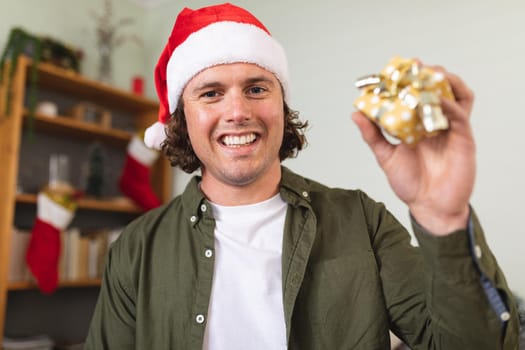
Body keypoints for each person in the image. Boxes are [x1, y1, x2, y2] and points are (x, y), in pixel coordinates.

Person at [84, 3, 519, 349]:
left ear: (281, 107)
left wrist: (444, 219)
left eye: (257, 88)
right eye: (211, 93)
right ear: (183, 120)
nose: (237, 112)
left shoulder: (362, 221)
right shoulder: (136, 248)